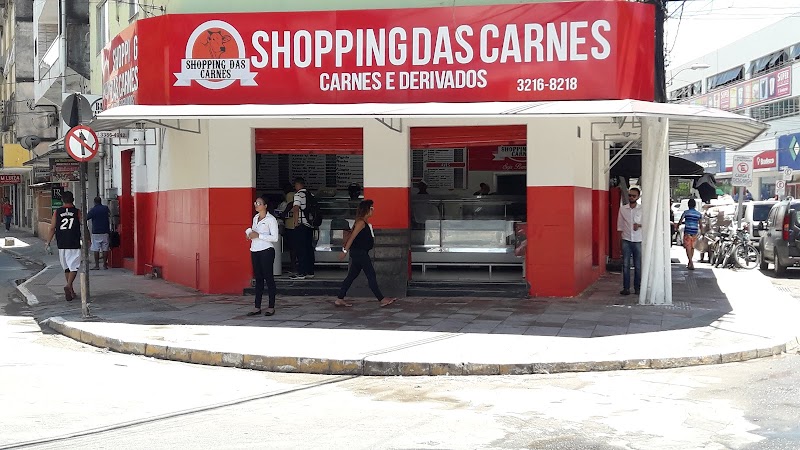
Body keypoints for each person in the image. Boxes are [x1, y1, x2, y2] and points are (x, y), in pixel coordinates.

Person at [334, 200, 397, 308]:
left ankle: (340, 298)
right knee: (370, 274)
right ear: (367, 209)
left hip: (359, 253)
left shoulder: (363, 222)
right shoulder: (360, 223)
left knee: (351, 276)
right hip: (360, 253)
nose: (373, 210)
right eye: (372, 208)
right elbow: (352, 237)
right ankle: (381, 299)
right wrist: (344, 251)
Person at [246, 194, 280, 316]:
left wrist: (259, 236)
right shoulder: (255, 218)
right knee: (258, 279)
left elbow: (275, 238)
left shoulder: (271, 220)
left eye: (259, 203)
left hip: (266, 250)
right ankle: (257, 306)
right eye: (255, 203)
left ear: (265, 206)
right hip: (254, 250)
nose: (256, 205)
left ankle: (271, 306)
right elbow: (253, 231)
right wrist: (249, 234)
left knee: (268, 278)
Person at [45, 191, 81, 302]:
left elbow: (52, 228)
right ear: (73, 200)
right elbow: (83, 226)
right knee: (74, 267)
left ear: (62, 200)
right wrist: (87, 239)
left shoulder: (57, 212)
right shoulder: (77, 212)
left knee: (66, 267)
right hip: (74, 242)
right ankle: (69, 285)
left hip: (61, 243)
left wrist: (48, 242)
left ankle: (71, 290)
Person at [617, 187, 642, 296]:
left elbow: (649, 223)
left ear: (638, 197)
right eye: (630, 195)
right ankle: (626, 288)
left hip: (638, 239)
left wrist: (639, 225)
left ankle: (637, 288)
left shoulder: (642, 209)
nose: (631, 197)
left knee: (638, 265)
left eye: (634, 196)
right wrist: (619, 240)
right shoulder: (623, 209)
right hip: (626, 239)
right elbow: (620, 225)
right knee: (626, 265)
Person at [290, 177, 315, 280]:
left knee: (301, 249)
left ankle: (301, 272)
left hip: (302, 225)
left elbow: (296, 209)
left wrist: (295, 223)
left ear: (298, 185)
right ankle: (310, 271)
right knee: (309, 248)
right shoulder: (311, 195)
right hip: (310, 225)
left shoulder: (298, 195)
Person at [86, 197, 111, 270]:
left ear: (94, 202)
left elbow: (86, 217)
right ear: (101, 201)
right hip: (105, 231)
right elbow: (110, 215)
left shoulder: (93, 210)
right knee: (105, 248)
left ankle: (97, 265)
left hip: (96, 231)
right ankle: (105, 265)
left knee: (96, 249)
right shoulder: (105, 208)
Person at [678, 198, 703, 270]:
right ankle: (690, 263)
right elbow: (700, 224)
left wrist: (677, 226)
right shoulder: (698, 214)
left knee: (688, 247)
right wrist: (702, 232)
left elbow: (680, 221)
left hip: (687, 232)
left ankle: (691, 262)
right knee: (692, 247)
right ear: (695, 205)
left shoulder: (686, 212)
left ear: (688, 205)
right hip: (695, 232)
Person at [278, 183, 297, 275]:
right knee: (295, 248)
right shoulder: (295, 194)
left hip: (290, 225)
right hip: (295, 225)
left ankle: (293, 267)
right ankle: (295, 266)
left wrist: (284, 213)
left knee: (292, 248)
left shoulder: (290, 195)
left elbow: (290, 204)